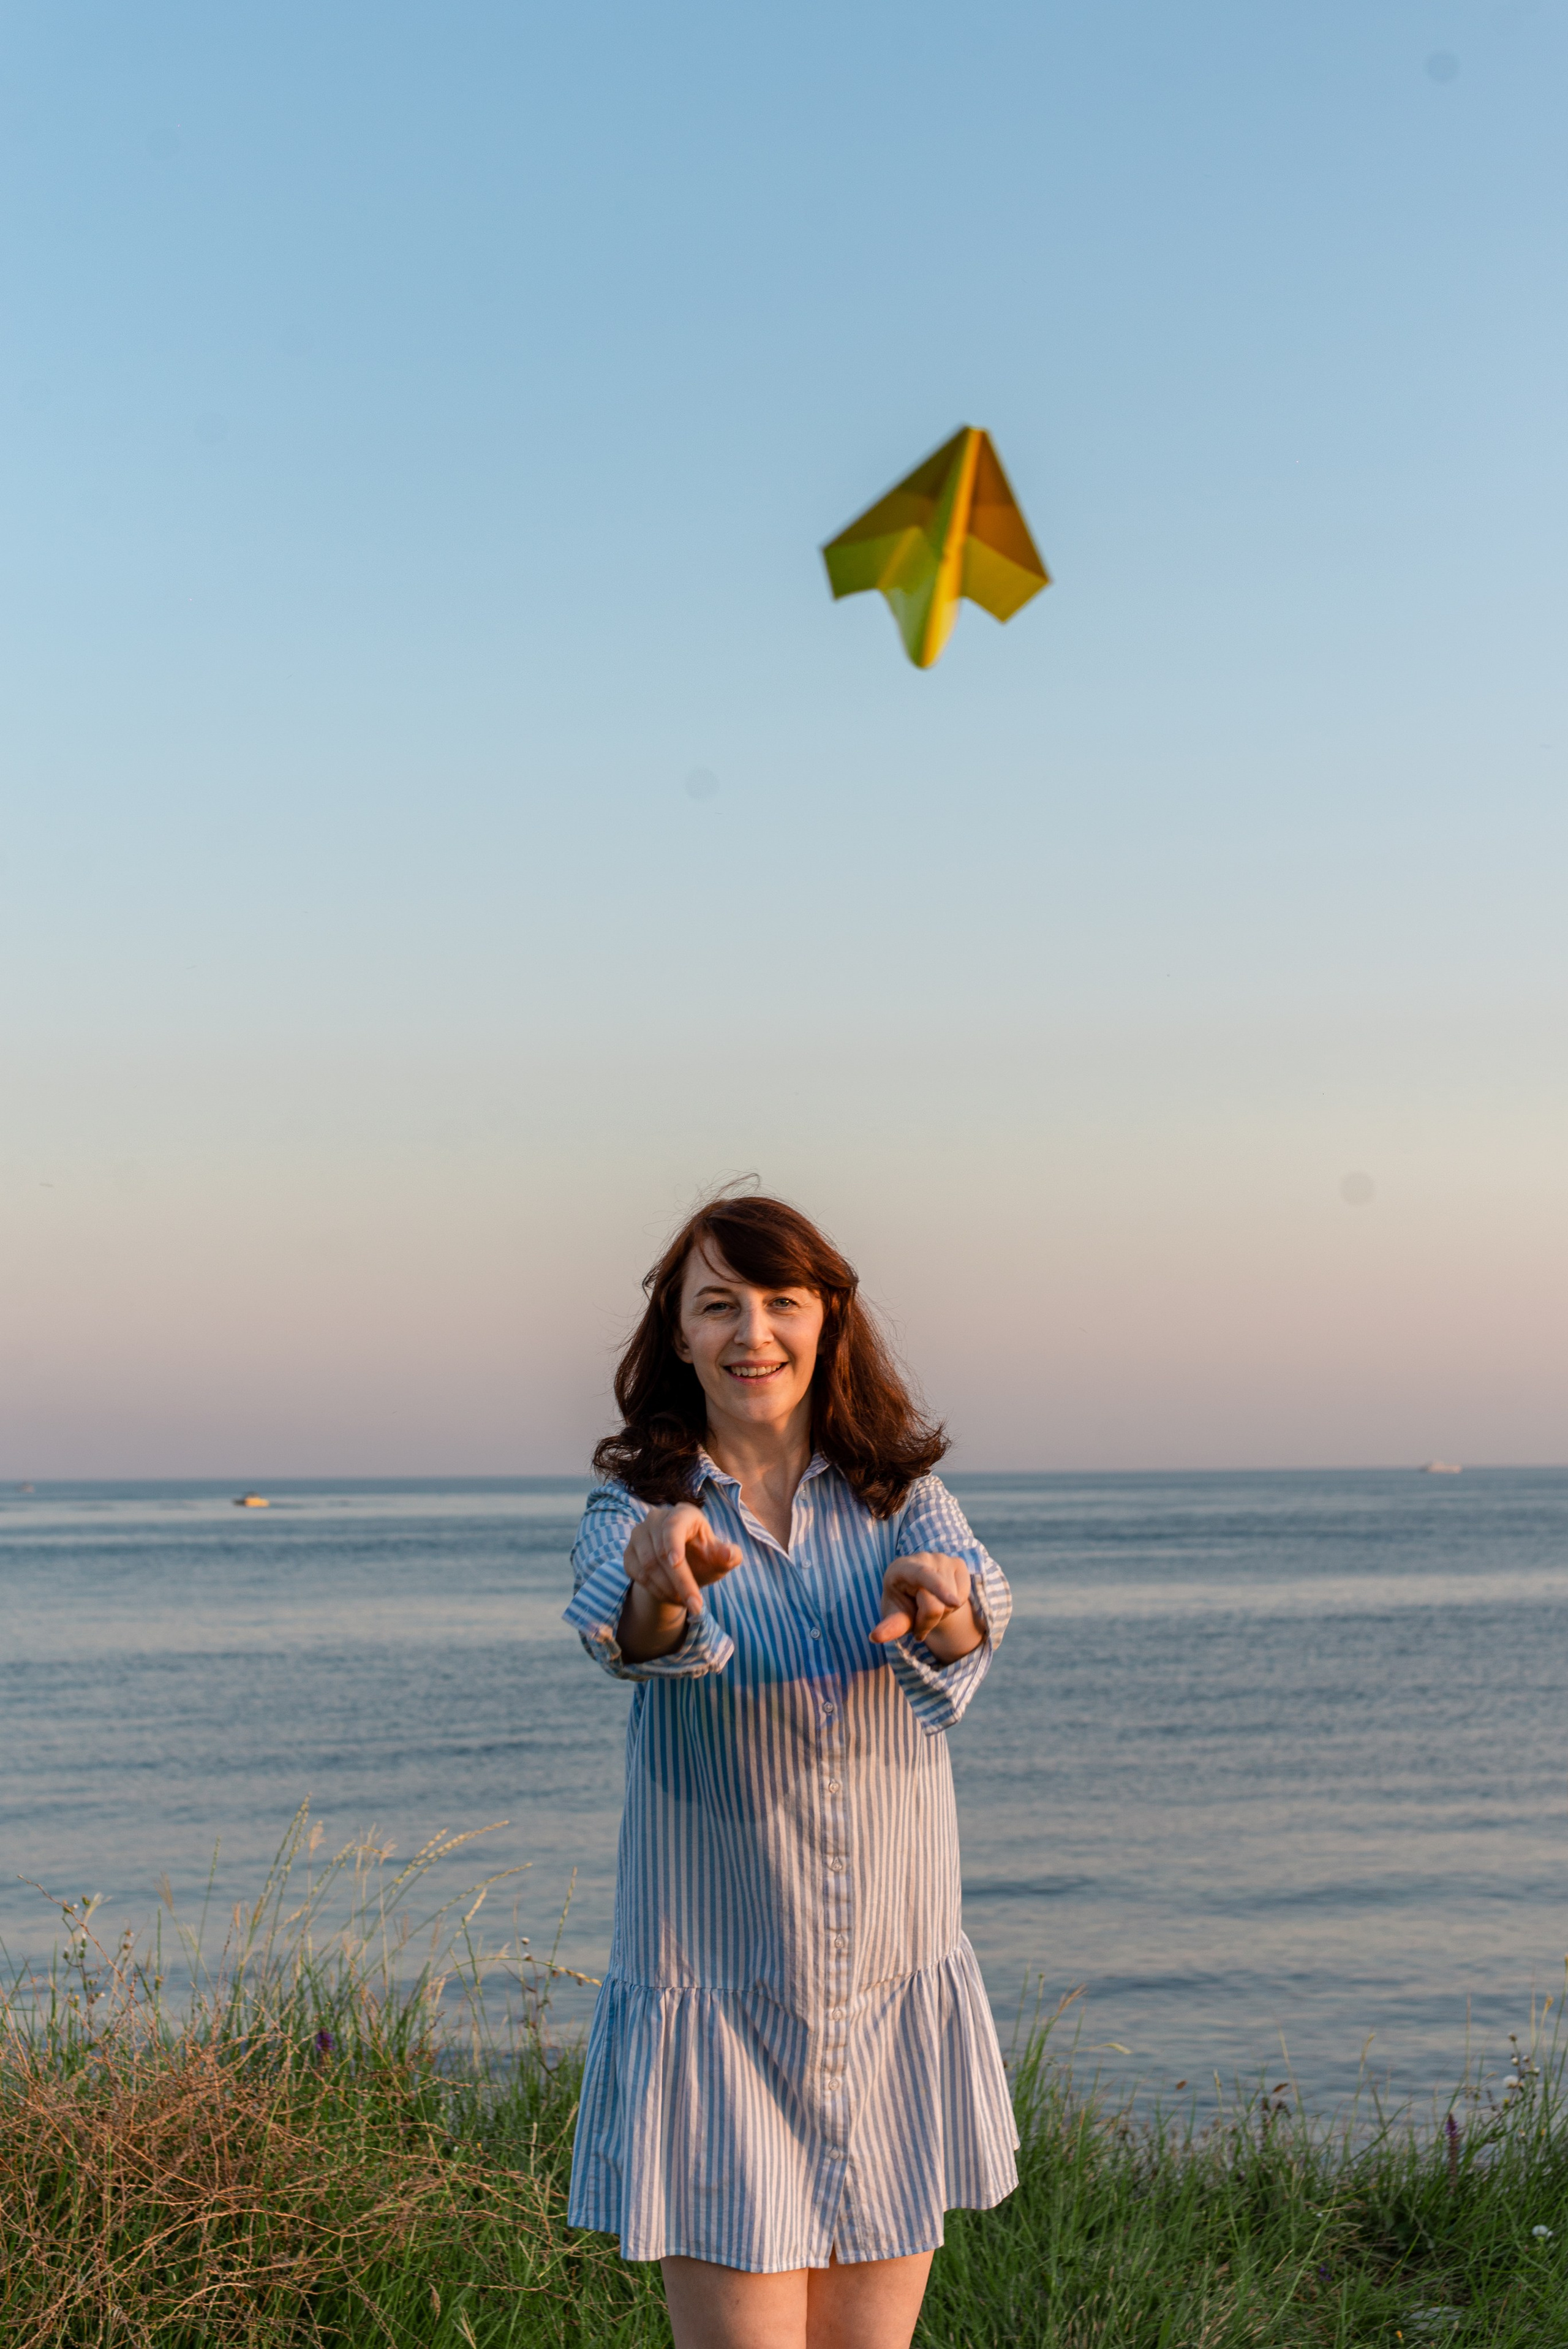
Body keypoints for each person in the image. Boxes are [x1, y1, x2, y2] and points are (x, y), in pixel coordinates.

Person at [563, 1193, 1016, 2349]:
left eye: (782, 1301)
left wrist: (943, 1605)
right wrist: (663, 1583)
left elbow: (968, 1627)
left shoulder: (902, 1496)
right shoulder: (637, 1510)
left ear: (828, 1321)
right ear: (679, 1334)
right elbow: (633, 1641)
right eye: (718, 1305)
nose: (752, 1331)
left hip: (886, 1999)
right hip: (723, 2005)